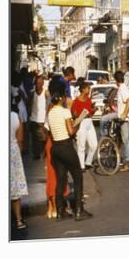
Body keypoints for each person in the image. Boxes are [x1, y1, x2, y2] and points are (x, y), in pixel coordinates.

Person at [47, 79, 92, 221]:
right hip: (66, 146)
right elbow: (71, 131)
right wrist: (77, 124)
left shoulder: (51, 112)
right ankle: (79, 210)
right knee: (78, 175)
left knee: (61, 179)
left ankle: (60, 212)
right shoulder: (65, 111)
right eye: (65, 95)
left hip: (55, 148)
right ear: (61, 97)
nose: (66, 98)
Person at [100, 70, 129, 172]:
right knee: (103, 119)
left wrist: (124, 114)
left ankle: (127, 163)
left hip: (125, 119)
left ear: (116, 80)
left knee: (126, 140)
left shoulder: (123, 89)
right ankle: (105, 139)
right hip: (118, 114)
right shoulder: (120, 88)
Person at [10, 94, 28, 230]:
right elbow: (20, 139)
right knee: (15, 188)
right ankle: (18, 220)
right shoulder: (16, 117)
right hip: (13, 152)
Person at [71, 82, 98, 171]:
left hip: (89, 122)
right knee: (81, 145)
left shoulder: (88, 99)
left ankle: (88, 162)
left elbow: (91, 112)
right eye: (88, 88)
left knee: (94, 144)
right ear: (83, 89)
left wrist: (93, 109)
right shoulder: (76, 101)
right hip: (81, 122)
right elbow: (74, 114)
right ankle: (81, 165)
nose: (89, 90)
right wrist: (79, 114)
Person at [29, 75, 47, 160]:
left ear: (43, 83)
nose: (38, 85)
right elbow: (29, 104)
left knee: (43, 138)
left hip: (42, 119)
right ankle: (36, 154)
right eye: (37, 83)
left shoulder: (46, 93)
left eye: (40, 83)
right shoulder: (32, 93)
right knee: (34, 138)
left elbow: (49, 105)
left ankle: (43, 152)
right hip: (33, 119)